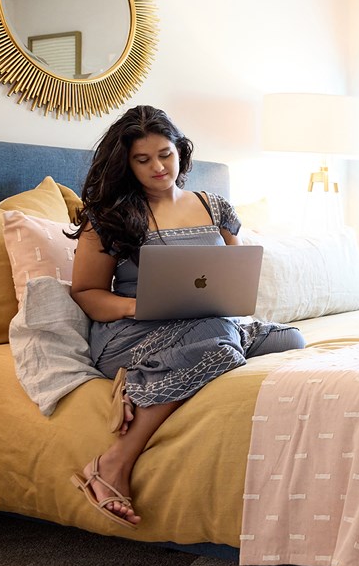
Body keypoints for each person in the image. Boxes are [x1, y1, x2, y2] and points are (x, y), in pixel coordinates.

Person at [66, 105, 306, 528]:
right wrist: (138, 306)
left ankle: (151, 376)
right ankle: (113, 463)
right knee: (219, 339)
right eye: (143, 160)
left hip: (207, 322)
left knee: (291, 341)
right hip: (128, 330)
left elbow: (234, 275)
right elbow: (87, 293)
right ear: (126, 165)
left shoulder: (215, 208)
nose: (159, 167)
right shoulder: (108, 218)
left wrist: (229, 303)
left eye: (166, 154)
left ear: (181, 151)